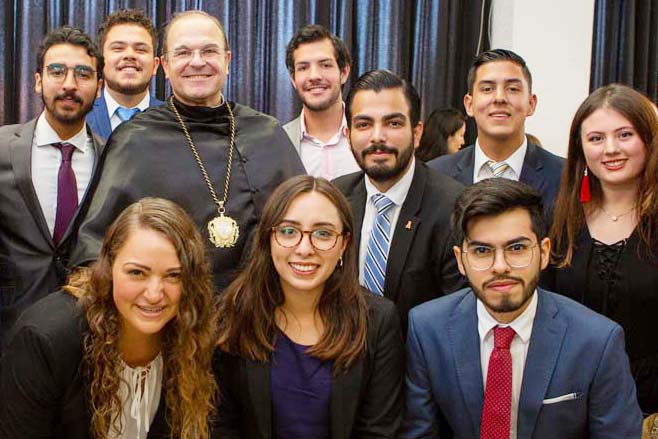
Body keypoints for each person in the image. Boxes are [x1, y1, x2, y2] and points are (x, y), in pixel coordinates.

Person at [72, 11, 305, 289]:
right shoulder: (134, 139)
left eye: (209, 51)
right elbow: (95, 247)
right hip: (170, 315)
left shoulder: (267, 133)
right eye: (183, 53)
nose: (197, 62)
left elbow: (304, 223)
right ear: (166, 66)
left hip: (261, 312)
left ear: (227, 61)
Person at [401, 178, 642, 439]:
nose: (500, 266)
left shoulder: (596, 341)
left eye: (516, 248)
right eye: (482, 250)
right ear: (461, 260)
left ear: (544, 252)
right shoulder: (428, 329)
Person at [0, 198, 218, 439]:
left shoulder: (193, 333)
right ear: (108, 268)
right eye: (137, 273)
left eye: (173, 276)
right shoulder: (46, 339)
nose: (155, 294)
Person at [213, 175, 404, 439]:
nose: (304, 248)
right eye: (288, 231)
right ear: (268, 239)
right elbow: (221, 427)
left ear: (344, 244)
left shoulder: (378, 321)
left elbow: (379, 431)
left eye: (323, 234)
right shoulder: (233, 314)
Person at [544, 83, 658, 415]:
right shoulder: (559, 219)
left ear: (649, 141)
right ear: (580, 150)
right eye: (596, 138)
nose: (610, 149)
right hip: (570, 400)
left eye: (625, 135)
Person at [332, 70, 465, 332]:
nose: (377, 137)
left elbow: (456, 317)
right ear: (348, 135)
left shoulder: (454, 206)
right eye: (364, 124)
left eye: (393, 123)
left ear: (417, 133)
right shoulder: (335, 198)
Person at [0, 26, 104, 343]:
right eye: (57, 71)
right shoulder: (2, 147)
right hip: (10, 331)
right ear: (37, 81)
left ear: (99, 87)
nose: (69, 85)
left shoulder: (113, 159)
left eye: (83, 74)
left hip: (87, 336)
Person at [427, 49, 564, 210]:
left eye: (512, 89)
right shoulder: (435, 175)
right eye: (487, 89)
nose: (500, 98)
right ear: (469, 104)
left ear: (531, 104)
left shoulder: (564, 177)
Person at [283, 24, 360, 179]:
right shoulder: (280, 142)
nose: (314, 76)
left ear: (344, 72)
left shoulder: (367, 136)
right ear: (293, 79)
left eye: (325, 65)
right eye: (303, 68)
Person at [86, 9, 164, 141]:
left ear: (155, 65)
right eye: (118, 48)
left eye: (140, 49)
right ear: (100, 61)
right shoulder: (80, 118)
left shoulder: (174, 122)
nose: (129, 55)